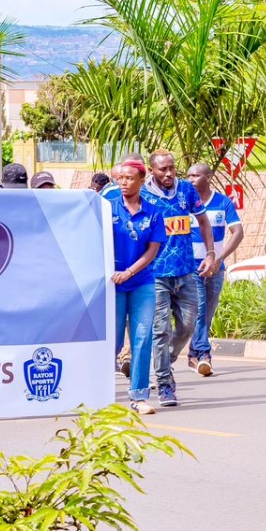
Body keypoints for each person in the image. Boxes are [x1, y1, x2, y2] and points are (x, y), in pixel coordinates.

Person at [141, 149, 216, 407]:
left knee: (189, 325)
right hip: (156, 275)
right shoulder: (142, 195)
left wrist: (210, 253)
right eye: (163, 169)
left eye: (172, 168)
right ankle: (165, 385)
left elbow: (204, 223)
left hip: (186, 272)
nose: (169, 173)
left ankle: (165, 361)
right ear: (152, 170)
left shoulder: (187, 190)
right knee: (161, 330)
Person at [110, 160, 166, 415]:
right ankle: (99, 392)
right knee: (113, 340)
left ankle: (139, 396)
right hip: (113, 284)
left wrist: (130, 272)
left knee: (142, 338)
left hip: (141, 282)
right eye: (120, 178)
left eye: (130, 178)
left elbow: (152, 250)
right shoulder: (107, 207)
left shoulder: (154, 212)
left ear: (142, 181)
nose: (123, 182)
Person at [186, 163, 244, 377]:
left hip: (216, 267)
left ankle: (193, 354)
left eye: (196, 175)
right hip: (192, 267)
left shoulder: (223, 202)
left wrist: (219, 259)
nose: (191, 179)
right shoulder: (185, 204)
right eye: (189, 175)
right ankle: (204, 355)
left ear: (208, 177)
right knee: (199, 309)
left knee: (208, 313)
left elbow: (238, 231)